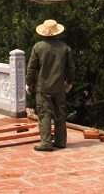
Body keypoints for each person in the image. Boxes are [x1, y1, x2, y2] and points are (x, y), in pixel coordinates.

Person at [26, 19, 75, 152]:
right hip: (59, 87)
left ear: (43, 32)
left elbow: (31, 68)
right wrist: (69, 82)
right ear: (56, 32)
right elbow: (71, 67)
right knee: (60, 113)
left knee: (44, 114)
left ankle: (46, 142)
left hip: (43, 86)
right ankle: (60, 141)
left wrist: (28, 83)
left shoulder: (38, 47)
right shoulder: (65, 47)